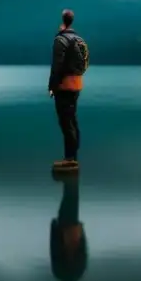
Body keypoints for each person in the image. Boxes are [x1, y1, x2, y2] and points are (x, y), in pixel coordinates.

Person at [48, 9, 88, 167]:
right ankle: (74, 153)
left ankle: (69, 158)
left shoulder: (61, 40)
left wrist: (52, 86)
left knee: (65, 121)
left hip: (64, 85)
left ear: (62, 21)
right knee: (72, 118)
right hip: (77, 83)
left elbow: (57, 65)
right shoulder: (78, 39)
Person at [50, 178, 88, 281]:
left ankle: (71, 177)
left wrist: (82, 232)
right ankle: (70, 174)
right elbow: (54, 248)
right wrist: (53, 227)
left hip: (73, 230)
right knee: (69, 198)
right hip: (63, 229)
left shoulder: (79, 272)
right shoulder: (58, 273)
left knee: (72, 198)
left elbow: (83, 250)